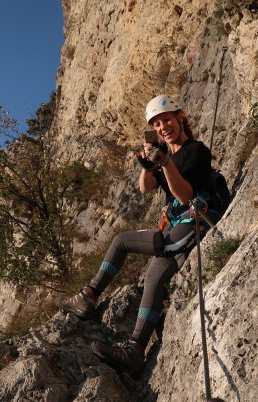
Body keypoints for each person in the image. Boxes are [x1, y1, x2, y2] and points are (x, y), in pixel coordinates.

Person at [55, 94, 219, 377]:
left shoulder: (196, 151)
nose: (162, 127)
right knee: (153, 278)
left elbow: (186, 194)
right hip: (178, 224)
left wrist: (166, 163)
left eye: (167, 119)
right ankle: (136, 350)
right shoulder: (165, 155)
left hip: (197, 221)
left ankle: (88, 295)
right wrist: (148, 166)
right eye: (156, 124)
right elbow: (145, 188)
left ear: (180, 117)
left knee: (121, 241)